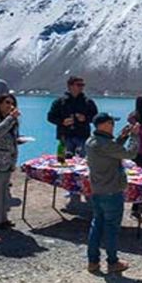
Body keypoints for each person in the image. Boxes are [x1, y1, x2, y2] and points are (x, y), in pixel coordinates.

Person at [85, 112, 139, 274]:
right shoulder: (105, 144)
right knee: (111, 228)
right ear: (104, 125)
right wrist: (134, 136)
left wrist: (122, 137)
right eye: (111, 123)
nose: (113, 126)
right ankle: (112, 262)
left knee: (97, 224)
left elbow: (111, 150)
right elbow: (130, 154)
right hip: (112, 191)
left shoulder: (91, 141)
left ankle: (93, 261)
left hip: (97, 190)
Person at [47, 76, 98, 206]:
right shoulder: (59, 102)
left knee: (84, 164)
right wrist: (62, 121)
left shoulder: (88, 102)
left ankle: (86, 190)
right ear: (70, 86)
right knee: (64, 164)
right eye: (78, 84)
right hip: (64, 137)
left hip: (83, 136)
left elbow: (95, 118)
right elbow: (50, 117)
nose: (81, 87)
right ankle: (71, 190)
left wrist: (85, 118)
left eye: (82, 85)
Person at [0, 94, 23, 233]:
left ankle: (3, 219)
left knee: (4, 193)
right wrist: (11, 118)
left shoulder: (10, 120)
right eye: (7, 102)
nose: (10, 106)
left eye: (12, 103)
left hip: (7, 162)